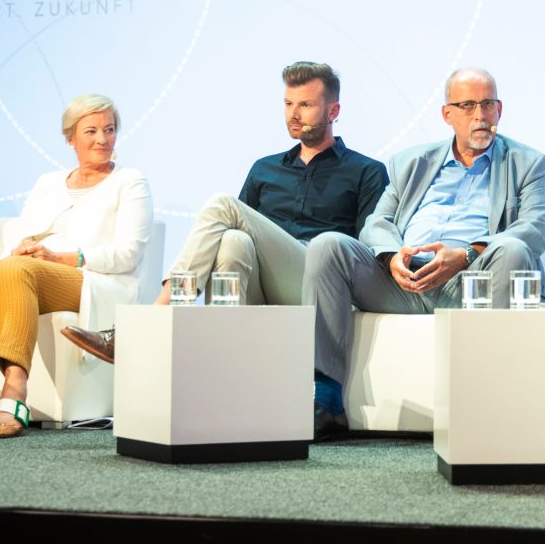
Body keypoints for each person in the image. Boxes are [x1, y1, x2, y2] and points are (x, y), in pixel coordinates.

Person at [61, 63, 387, 424]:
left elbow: (363, 252)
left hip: (319, 282)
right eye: (288, 104)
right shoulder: (265, 169)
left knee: (222, 206)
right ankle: (223, 379)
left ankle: (153, 319)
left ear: (334, 111)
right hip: (264, 285)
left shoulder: (366, 171)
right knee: (232, 240)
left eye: (306, 105)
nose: (294, 115)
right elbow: (239, 236)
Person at [302, 68, 545, 437]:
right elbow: (377, 222)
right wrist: (390, 257)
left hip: (472, 280)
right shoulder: (411, 162)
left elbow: (536, 227)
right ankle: (326, 401)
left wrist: (466, 254)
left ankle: (485, 401)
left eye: (488, 104)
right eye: (467, 105)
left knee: (513, 249)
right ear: (447, 114)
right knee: (328, 246)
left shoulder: (527, 163)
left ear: (500, 110)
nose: (479, 116)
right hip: (403, 280)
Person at [0, 94, 153, 438]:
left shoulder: (130, 182)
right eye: (91, 131)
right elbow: (19, 236)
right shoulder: (48, 183)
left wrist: (65, 257)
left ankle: (15, 389)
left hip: (91, 278)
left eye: (109, 130)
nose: (102, 139)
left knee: (15, 270)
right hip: (30, 272)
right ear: (71, 139)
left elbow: (128, 253)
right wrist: (19, 250)